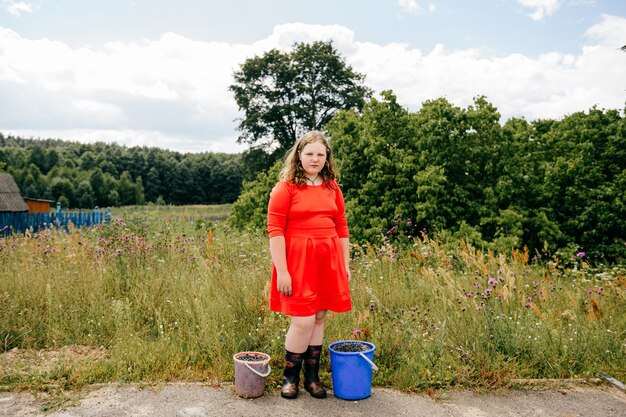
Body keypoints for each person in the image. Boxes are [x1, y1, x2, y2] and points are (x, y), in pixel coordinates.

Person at [267, 130, 352, 399]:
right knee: (302, 320)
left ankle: (311, 378)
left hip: (328, 261)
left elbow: (342, 227)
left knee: (318, 317)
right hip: (298, 263)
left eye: (320, 154)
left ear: (327, 158)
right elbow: (275, 230)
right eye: (309, 153)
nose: (315, 159)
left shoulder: (332, 187)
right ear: (299, 156)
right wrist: (282, 270)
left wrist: (345, 264)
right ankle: (289, 376)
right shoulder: (286, 187)